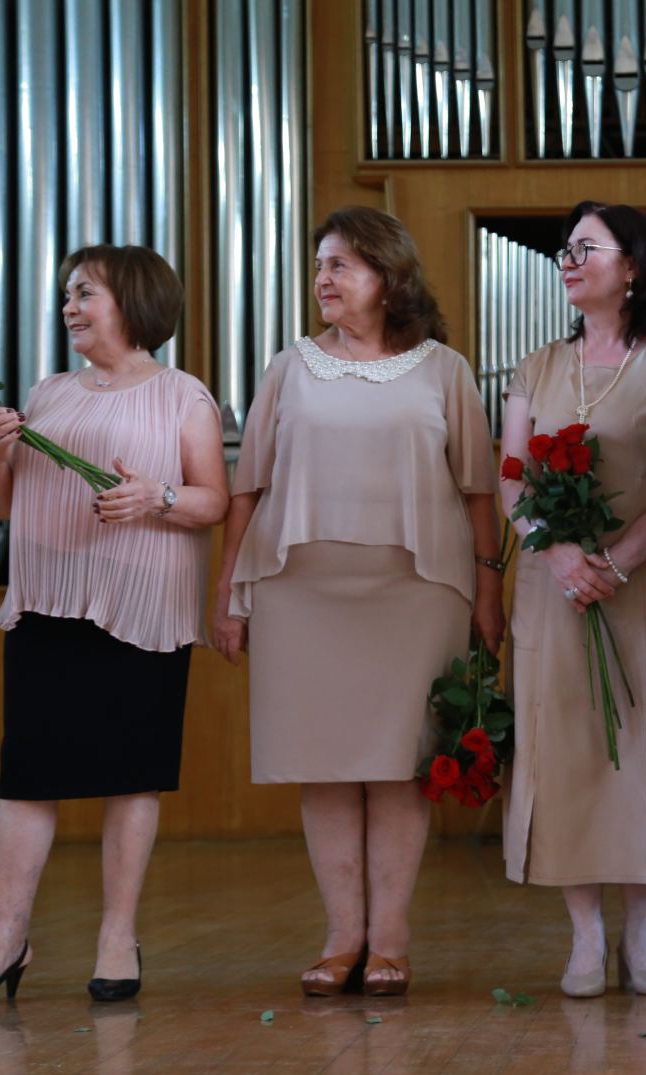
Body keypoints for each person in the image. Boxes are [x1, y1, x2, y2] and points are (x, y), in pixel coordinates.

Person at [211, 207, 503, 997]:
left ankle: (393, 940)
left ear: (388, 276)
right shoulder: (289, 367)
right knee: (327, 765)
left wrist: (488, 588)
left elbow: (480, 491)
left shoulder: (446, 368)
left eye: (340, 264)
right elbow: (247, 488)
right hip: (301, 592)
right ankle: (343, 938)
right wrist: (228, 596)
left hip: (416, 593)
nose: (323, 279)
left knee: (403, 767)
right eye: (319, 265)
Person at [0, 245, 228, 1007]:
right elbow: (3, 502)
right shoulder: (48, 392)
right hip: (49, 603)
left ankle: (116, 937)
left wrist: (154, 499)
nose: (70, 306)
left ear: (133, 301)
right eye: (67, 294)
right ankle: (5, 941)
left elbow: (214, 502)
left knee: (131, 775)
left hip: (140, 609)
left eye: (85, 293)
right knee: (28, 779)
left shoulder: (184, 397)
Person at [499, 201, 646, 998]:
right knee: (566, 756)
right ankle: (586, 941)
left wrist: (617, 560)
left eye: (586, 248)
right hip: (554, 587)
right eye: (565, 249)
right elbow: (513, 479)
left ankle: (644, 938)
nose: (568, 259)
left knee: (645, 755)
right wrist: (559, 553)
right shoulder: (536, 366)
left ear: (633, 268)